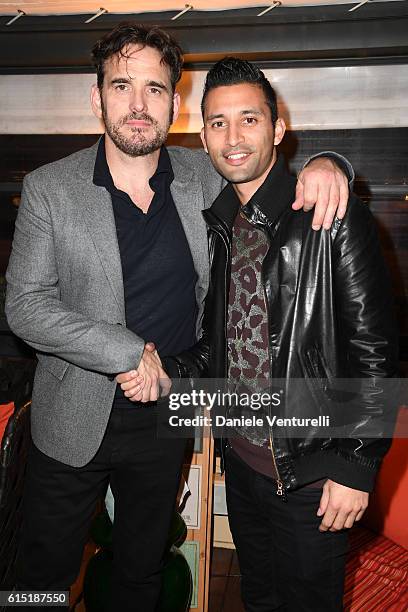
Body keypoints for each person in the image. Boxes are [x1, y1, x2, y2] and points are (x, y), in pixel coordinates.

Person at [6, 23, 352, 611]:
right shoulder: (48, 189)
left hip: (166, 415)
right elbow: (25, 305)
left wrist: (329, 162)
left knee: (143, 568)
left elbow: (265, 165)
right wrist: (123, 351)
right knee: (37, 576)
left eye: (155, 89)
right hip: (71, 418)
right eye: (122, 86)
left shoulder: (202, 176)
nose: (138, 105)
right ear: (97, 98)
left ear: (174, 102)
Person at [143, 58, 398, 611]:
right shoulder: (222, 227)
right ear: (204, 134)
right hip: (241, 463)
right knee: (258, 598)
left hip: (310, 475)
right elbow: (223, 345)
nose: (233, 138)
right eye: (217, 123)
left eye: (249, 120)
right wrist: (166, 369)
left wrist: (355, 468)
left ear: (278, 131)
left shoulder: (330, 217)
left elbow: (377, 355)